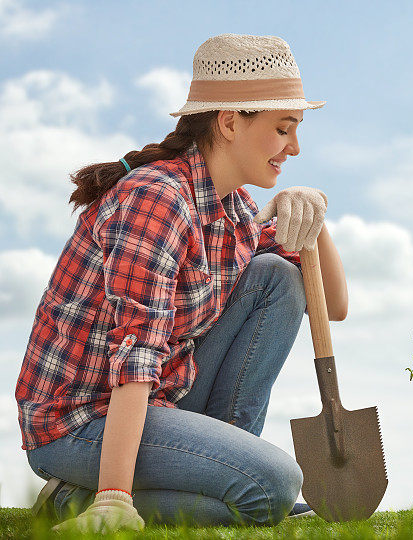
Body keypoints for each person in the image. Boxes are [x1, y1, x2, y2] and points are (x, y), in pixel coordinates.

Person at [15, 34, 347, 533]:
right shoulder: (158, 199)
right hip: (79, 422)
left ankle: (231, 479)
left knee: (278, 278)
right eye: (283, 129)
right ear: (230, 122)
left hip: (156, 403)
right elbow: (136, 354)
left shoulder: (231, 209)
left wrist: (315, 218)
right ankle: (83, 500)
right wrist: (115, 499)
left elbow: (334, 306)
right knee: (277, 486)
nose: (294, 148)